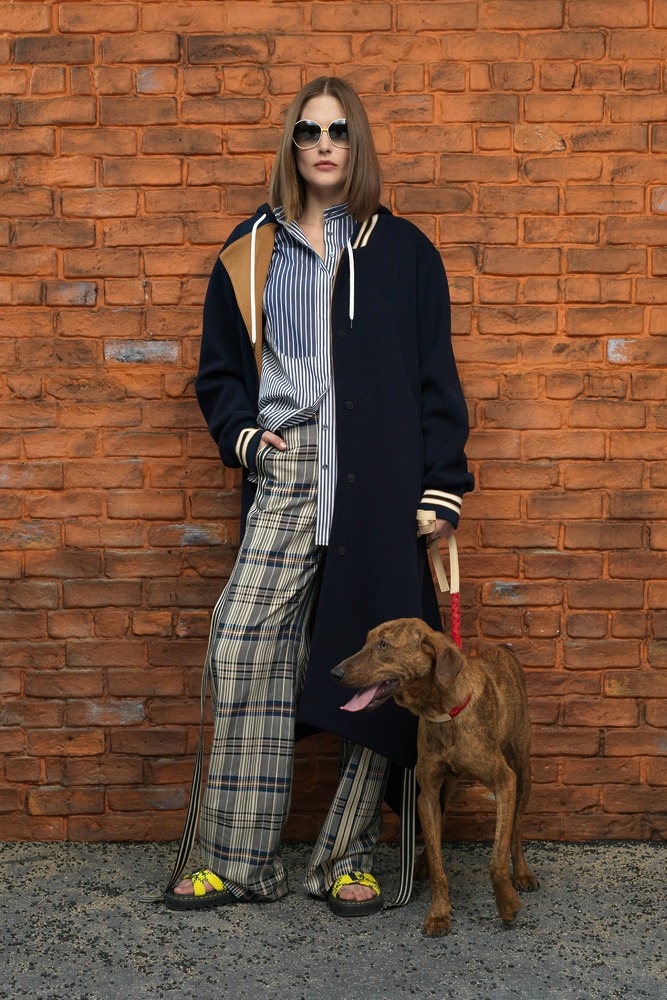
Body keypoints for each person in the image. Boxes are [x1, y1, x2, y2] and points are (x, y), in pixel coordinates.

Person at [162, 76, 473, 916]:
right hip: (288, 466)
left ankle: (347, 860)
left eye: (338, 131)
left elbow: (434, 374)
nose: (324, 144)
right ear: (292, 145)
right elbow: (220, 371)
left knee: (379, 669)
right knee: (242, 646)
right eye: (309, 131)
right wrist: (243, 437)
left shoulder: (403, 250)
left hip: (381, 478)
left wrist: (441, 484)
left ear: (356, 142)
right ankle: (239, 863)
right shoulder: (249, 249)